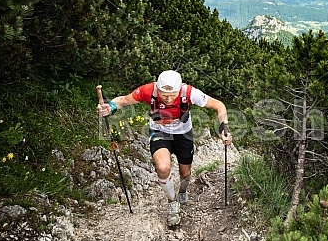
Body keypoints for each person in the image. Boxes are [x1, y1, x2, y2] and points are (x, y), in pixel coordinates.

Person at [96, 70, 232, 226]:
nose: (167, 99)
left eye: (172, 95)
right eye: (163, 95)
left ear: (179, 89)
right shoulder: (148, 90)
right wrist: (111, 107)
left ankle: (182, 191)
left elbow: (219, 106)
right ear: (157, 88)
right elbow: (124, 101)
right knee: (163, 166)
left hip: (183, 133)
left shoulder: (189, 92)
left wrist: (224, 129)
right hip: (159, 131)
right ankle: (172, 202)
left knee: (185, 173)